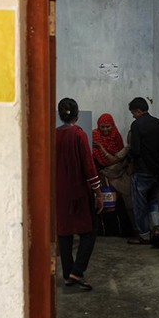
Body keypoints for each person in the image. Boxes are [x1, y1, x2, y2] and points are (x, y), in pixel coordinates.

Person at [55, 97, 104, 291]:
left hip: (59, 194)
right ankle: (78, 270)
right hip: (79, 194)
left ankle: (68, 275)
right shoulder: (79, 135)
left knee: (64, 233)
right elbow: (89, 167)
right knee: (90, 232)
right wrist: (98, 193)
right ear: (77, 114)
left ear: (59, 114)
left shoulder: (53, 135)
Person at [126, 97, 159, 248]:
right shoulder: (158, 123)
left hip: (142, 171)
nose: (133, 116)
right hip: (157, 170)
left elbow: (135, 150)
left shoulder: (137, 125)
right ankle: (156, 229)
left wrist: (131, 164)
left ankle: (144, 235)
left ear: (138, 110)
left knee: (140, 204)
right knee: (153, 200)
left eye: (133, 113)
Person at [92, 113, 135, 237]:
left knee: (117, 203)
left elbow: (119, 157)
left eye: (108, 126)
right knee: (103, 203)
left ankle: (120, 231)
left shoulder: (116, 136)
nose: (105, 129)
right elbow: (94, 156)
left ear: (113, 125)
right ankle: (105, 231)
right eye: (103, 127)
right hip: (101, 175)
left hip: (117, 175)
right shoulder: (95, 135)